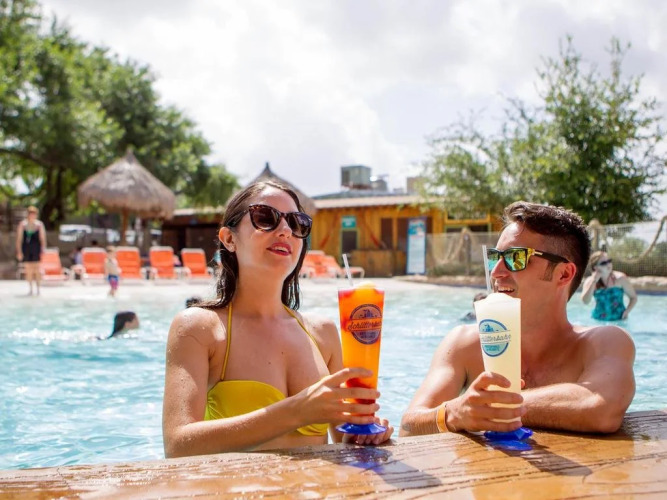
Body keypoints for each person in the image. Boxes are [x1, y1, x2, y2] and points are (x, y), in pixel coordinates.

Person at [162, 180, 393, 458]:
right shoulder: (201, 329)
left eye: (297, 223)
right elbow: (178, 445)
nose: (285, 230)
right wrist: (296, 412)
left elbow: (343, 439)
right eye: (265, 218)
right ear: (229, 239)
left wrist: (365, 434)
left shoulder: (323, 333)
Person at [400, 201, 635, 437]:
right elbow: (409, 427)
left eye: (516, 258)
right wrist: (453, 414)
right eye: (495, 257)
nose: (496, 272)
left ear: (564, 274)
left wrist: (491, 407)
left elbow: (601, 408)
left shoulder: (603, 343)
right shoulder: (464, 343)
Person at [581, 251, 637, 321]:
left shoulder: (620, 278)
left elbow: (633, 297)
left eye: (609, 261)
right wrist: (594, 281)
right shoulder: (590, 281)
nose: (608, 264)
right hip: (599, 320)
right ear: (595, 267)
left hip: (619, 319)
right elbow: (585, 301)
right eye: (604, 263)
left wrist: (627, 312)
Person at [15, 206, 47, 296]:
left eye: (34, 214)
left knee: (37, 269)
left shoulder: (39, 225)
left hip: (36, 249)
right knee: (28, 270)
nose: (32, 215)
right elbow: (19, 239)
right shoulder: (23, 225)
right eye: (31, 214)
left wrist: (43, 249)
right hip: (26, 249)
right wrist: (19, 251)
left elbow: (42, 238)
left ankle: (38, 288)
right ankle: (30, 288)